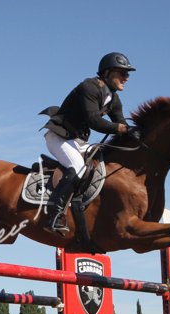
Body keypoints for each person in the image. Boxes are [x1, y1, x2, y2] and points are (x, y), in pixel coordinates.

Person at [40, 52, 138, 234]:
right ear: (107, 72)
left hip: (78, 141)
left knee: (99, 163)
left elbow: (120, 122)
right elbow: (94, 120)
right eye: (123, 73)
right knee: (77, 167)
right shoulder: (89, 87)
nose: (126, 78)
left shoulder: (114, 99)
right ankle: (54, 215)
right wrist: (121, 128)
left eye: (127, 74)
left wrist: (137, 132)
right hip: (59, 136)